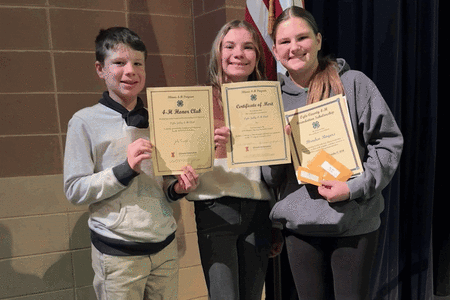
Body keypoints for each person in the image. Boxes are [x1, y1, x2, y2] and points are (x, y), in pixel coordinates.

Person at [262, 7, 404, 300]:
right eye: (285, 42)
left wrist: (353, 188)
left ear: (318, 40)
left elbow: (388, 143)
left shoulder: (353, 83)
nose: (294, 47)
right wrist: (280, 147)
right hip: (300, 226)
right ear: (274, 50)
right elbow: (270, 176)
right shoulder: (270, 99)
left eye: (302, 37)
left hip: (353, 223)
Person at [63, 27, 198, 300]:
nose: (130, 71)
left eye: (138, 63)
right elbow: (75, 189)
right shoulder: (84, 122)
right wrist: (125, 170)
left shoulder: (161, 118)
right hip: (118, 257)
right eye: (119, 63)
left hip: (165, 251)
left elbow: (164, 184)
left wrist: (178, 189)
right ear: (100, 69)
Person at [177, 20, 283, 300]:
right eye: (230, 46)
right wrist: (205, 148)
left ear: (258, 57)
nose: (239, 53)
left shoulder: (268, 100)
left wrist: (275, 223)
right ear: (217, 53)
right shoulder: (198, 101)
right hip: (215, 210)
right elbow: (178, 163)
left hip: (259, 211)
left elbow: (271, 172)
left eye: (248, 47)